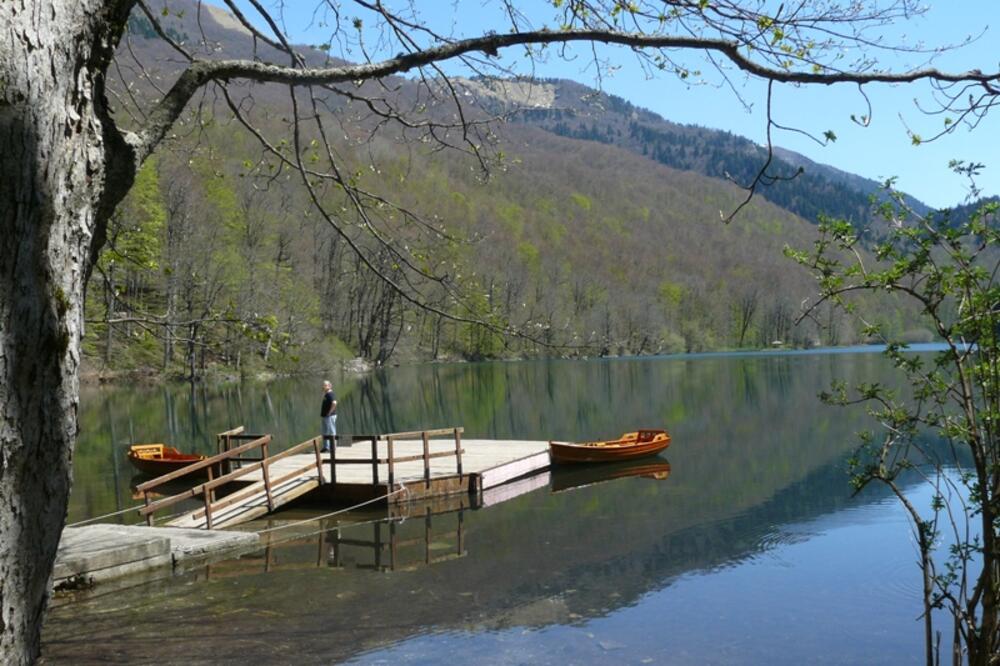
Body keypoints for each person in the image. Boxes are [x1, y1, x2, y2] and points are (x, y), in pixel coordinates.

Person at [320, 380, 337, 453]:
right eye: (323, 385)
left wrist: (330, 412)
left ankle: (332, 447)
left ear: (330, 386)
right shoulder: (326, 394)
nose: (323, 386)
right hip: (325, 416)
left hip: (330, 416)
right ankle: (326, 447)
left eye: (325, 385)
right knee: (325, 432)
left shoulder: (330, 394)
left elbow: (334, 403)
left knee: (331, 431)